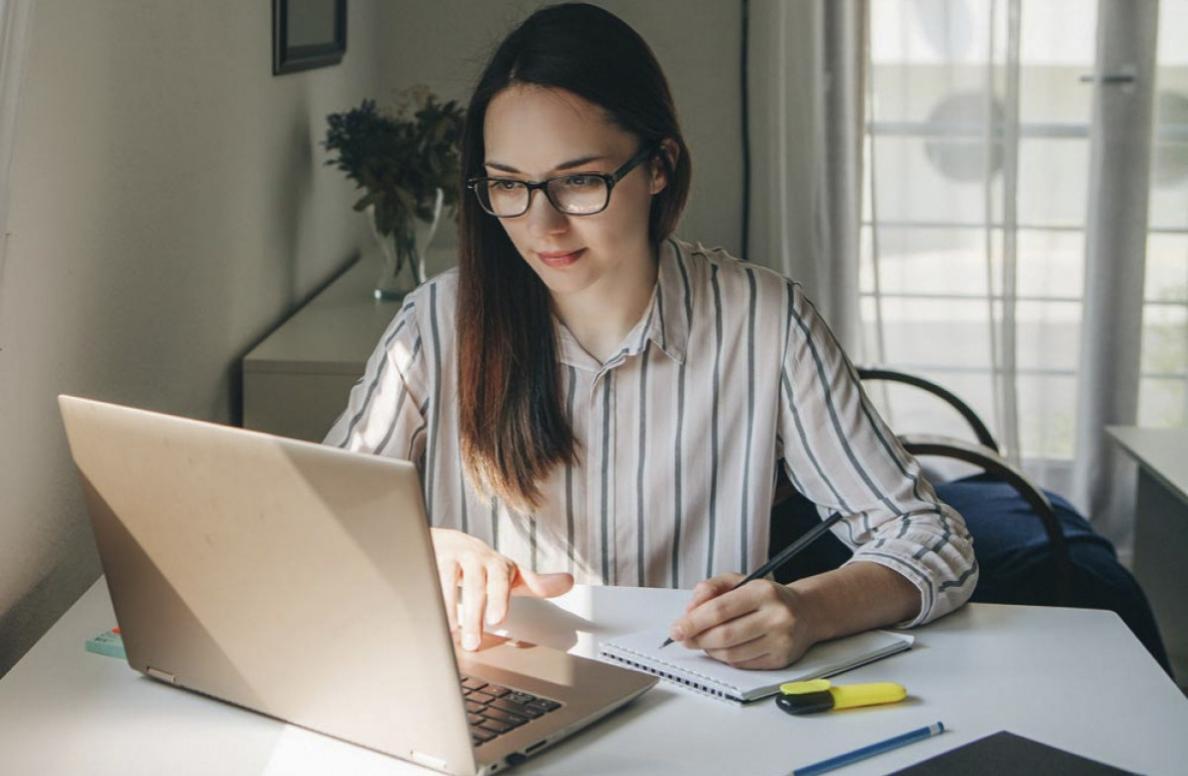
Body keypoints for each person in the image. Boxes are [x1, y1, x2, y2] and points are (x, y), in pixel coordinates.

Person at [325, 2, 976, 670]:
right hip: (493, 690)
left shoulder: (765, 321)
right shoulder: (435, 324)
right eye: (508, 185)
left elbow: (930, 538)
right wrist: (422, 546)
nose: (542, 225)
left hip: (696, 699)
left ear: (659, 165)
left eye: (578, 181)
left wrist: (811, 609)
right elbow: (314, 515)